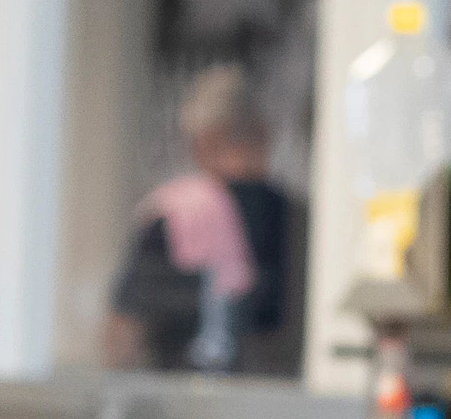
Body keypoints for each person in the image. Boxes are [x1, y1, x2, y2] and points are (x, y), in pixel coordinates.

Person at [106, 64, 306, 373]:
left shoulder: (173, 213)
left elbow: (124, 328)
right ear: (263, 134)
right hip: (285, 399)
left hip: (178, 400)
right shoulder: (303, 221)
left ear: (204, 143)